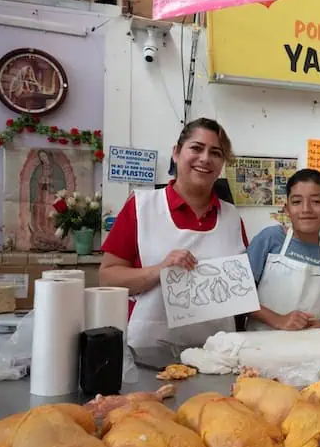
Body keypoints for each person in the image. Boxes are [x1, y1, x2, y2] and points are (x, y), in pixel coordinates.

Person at [99, 118, 248, 348]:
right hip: (148, 351)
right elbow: (107, 277)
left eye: (216, 153)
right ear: (177, 153)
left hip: (216, 353)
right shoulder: (142, 207)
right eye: (197, 148)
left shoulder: (232, 218)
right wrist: (160, 270)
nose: (205, 158)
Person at [245, 169, 320, 331]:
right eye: (297, 202)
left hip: (309, 347)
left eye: (316, 202)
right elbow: (239, 295)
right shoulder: (270, 239)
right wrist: (278, 320)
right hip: (260, 344)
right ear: (287, 209)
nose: (306, 209)